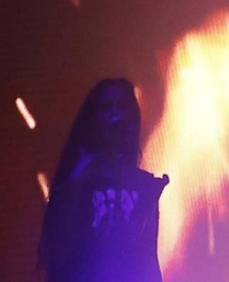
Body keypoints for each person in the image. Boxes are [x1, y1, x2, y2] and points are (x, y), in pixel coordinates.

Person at [36, 79, 166, 282]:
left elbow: (148, 256)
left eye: (122, 106)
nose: (116, 114)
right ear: (94, 119)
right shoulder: (78, 177)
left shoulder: (143, 184)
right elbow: (57, 244)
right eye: (107, 107)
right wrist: (76, 184)